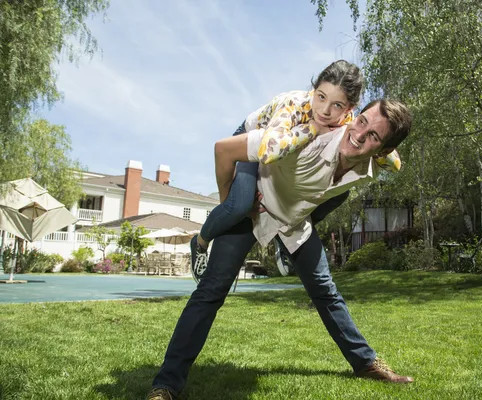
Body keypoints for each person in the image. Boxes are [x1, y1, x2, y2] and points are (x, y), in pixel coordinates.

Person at [146, 98, 413, 400]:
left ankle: (365, 363)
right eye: (361, 121)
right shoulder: (311, 133)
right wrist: (234, 202)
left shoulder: (371, 165)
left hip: (293, 221)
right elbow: (229, 148)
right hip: (253, 209)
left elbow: (393, 159)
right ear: (354, 115)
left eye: (374, 136)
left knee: (326, 292)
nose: (359, 134)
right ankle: (165, 385)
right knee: (211, 291)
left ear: (383, 150)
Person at [190, 60, 402, 280]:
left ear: (350, 109)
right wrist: (313, 128)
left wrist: (381, 148)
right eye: (321, 97)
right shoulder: (293, 105)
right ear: (314, 89)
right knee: (240, 205)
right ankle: (200, 243)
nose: (325, 111)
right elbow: (268, 151)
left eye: (337, 105)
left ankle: (283, 240)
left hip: (281, 152)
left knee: (339, 194)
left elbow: (394, 162)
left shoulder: (353, 123)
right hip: (255, 139)